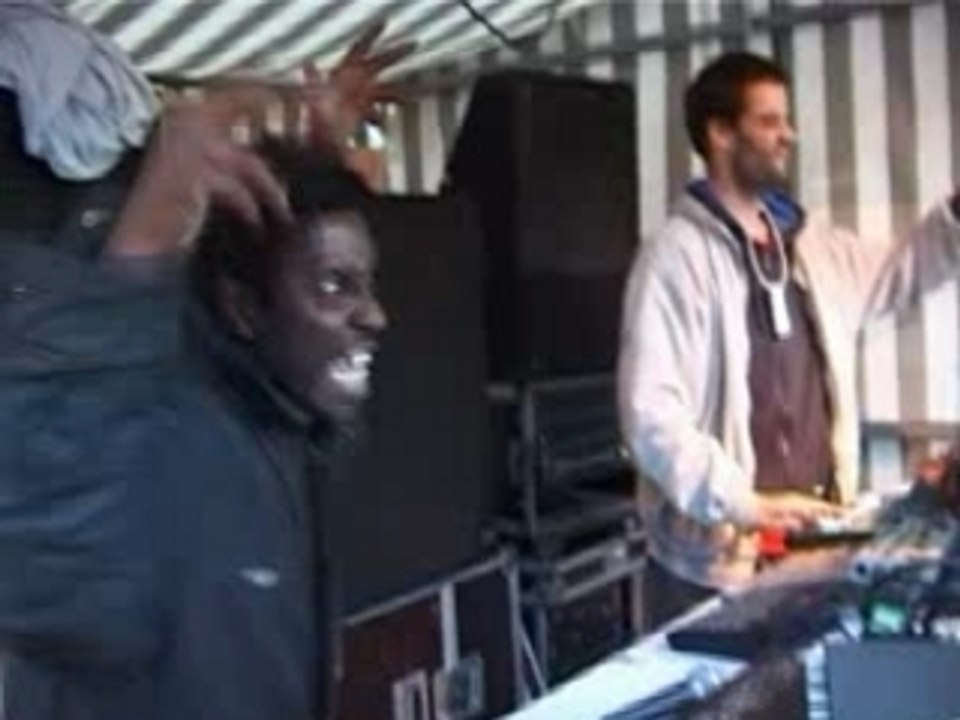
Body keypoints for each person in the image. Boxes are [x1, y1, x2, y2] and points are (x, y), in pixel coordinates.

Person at [0, 20, 410, 720]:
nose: (378, 316)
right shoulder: (153, 442)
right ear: (242, 308)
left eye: (366, 285)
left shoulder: (289, 423)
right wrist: (150, 232)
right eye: (337, 286)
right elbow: (43, 530)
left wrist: (317, 162)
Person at [617, 52, 960, 629]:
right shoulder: (673, 259)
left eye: (787, 120)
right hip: (714, 567)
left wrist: (954, 215)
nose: (789, 136)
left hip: (812, 545)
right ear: (720, 133)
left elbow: (902, 269)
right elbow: (651, 415)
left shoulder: (809, 246)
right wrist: (743, 502)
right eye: (770, 121)